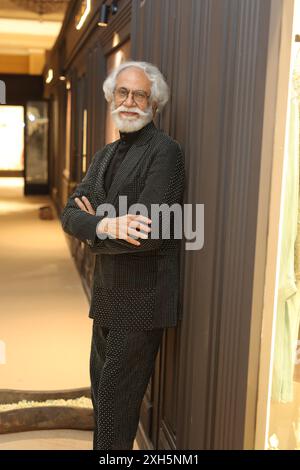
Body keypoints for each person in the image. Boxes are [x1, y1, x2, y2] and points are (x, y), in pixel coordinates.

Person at [60, 60, 185, 450]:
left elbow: (146, 232)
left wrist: (95, 220)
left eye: (140, 95)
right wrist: (104, 225)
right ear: (112, 97)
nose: (130, 101)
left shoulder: (165, 152)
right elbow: (68, 212)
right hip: (107, 295)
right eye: (123, 93)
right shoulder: (105, 154)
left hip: (142, 302)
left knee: (115, 407)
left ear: (154, 104)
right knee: (103, 397)